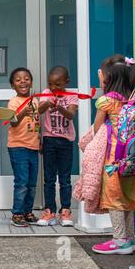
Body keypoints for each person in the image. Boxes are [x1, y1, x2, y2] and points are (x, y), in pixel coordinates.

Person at [91, 55, 135, 255]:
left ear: (108, 79)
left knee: (114, 198)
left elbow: (97, 128)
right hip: (133, 158)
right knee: (127, 196)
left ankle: (119, 240)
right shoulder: (134, 98)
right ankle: (131, 237)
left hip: (113, 158)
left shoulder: (106, 101)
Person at [36, 66, 78, 227]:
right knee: (49, 179)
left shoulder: (71, 96)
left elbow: (71, 115)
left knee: (65, 179)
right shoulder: (47, 92)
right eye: (51, 84)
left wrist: (60, 106)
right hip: (49, 140)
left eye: (58, 85)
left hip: (66, 141)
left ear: (66, 82)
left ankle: (65, 211)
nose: (54, 88)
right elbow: (39, 110)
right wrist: (47, 103)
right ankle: (49, 211)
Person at [7, 68, 40, 227]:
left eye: (26, 78)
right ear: (13, 85)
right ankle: (17, 213)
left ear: (31, 82)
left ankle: (28, 211)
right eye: (18, 80)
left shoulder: (35, 101)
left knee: (32, 183)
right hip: (18, 147)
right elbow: (12, 121)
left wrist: (40, 141)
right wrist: (22, 113)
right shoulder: (14, 101)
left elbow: (37, 123)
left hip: (33, 147)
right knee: (22, 182)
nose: (23, 82)